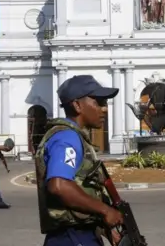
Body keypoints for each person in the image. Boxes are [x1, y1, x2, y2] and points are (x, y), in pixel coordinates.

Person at [36, 75, 124, 246]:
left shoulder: (74, 137)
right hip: (71, 237)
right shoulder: (67, 137)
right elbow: (59, 185)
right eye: (98, 102)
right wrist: (105, 210)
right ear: (77, 105)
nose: (104, 109)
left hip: (79, 235)